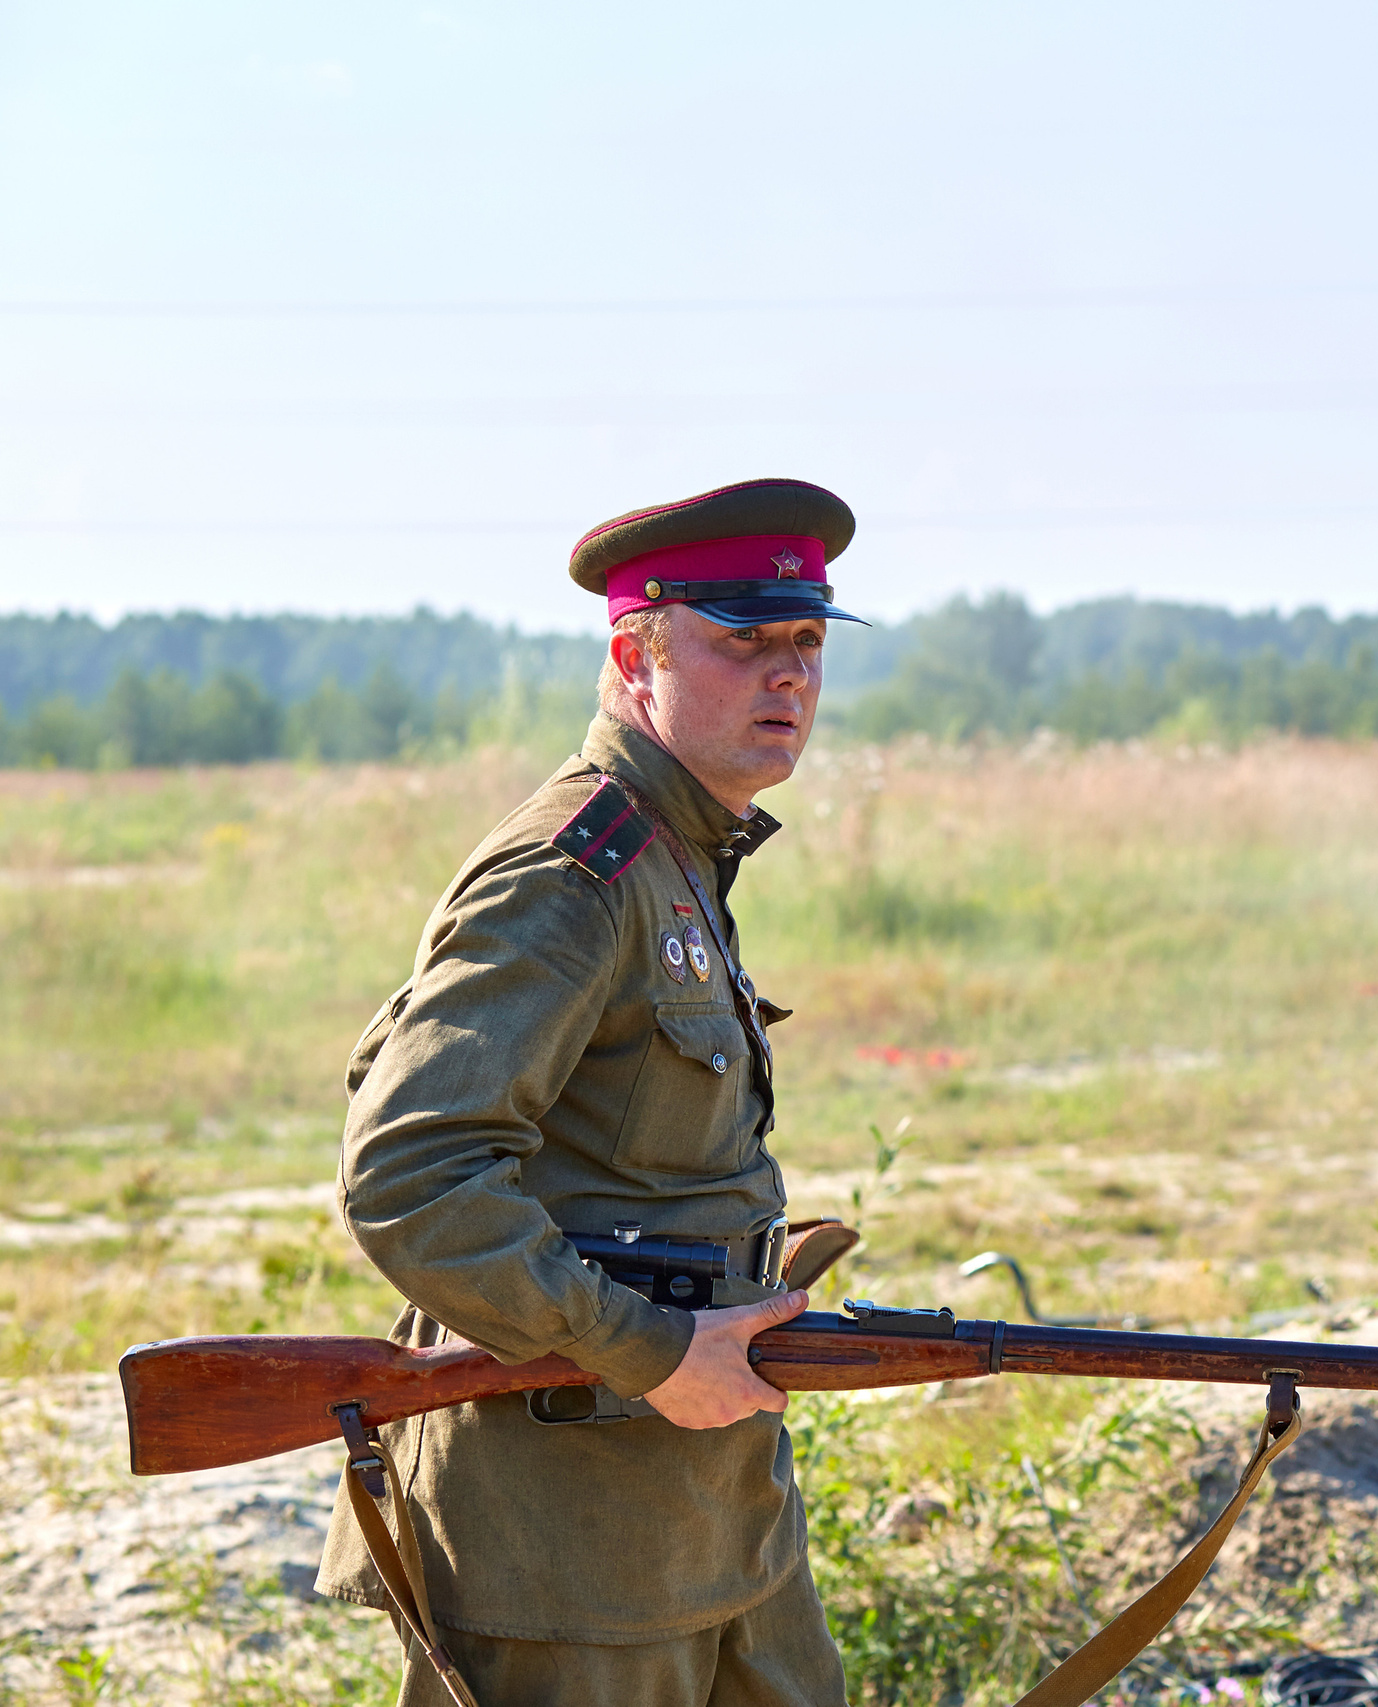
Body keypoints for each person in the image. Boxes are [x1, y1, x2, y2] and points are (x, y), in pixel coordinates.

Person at [315, 478, 866, 1707]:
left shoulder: (678, 852)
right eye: (744, 642)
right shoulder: (573, 870)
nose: (789, 678)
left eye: (807, 644)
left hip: (711, 1510)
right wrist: (652, 1348)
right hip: (568, 1549)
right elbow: (412, 1176)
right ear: (636, 653)